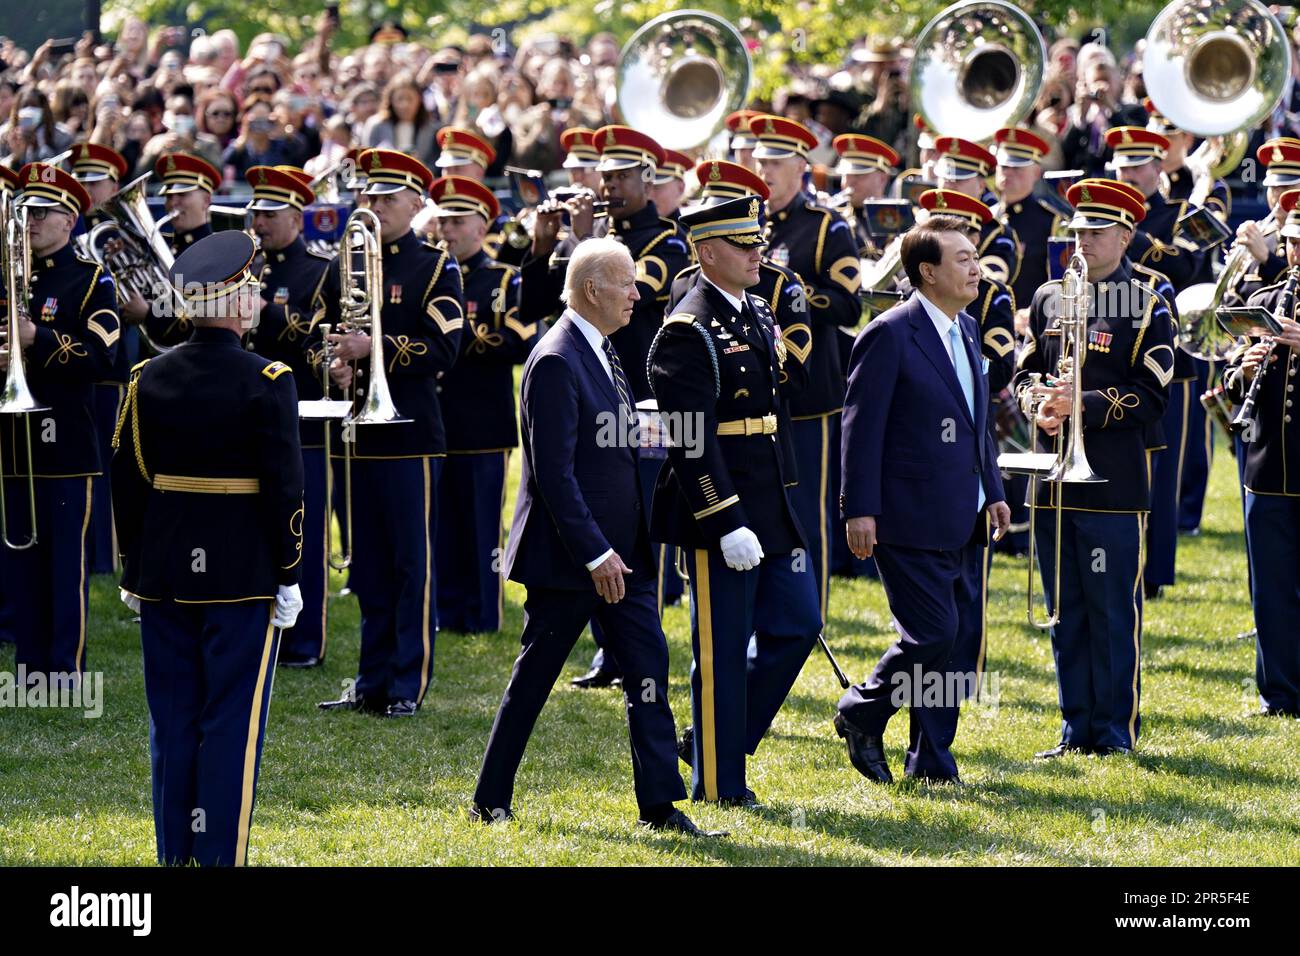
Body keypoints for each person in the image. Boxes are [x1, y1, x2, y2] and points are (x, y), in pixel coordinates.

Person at [471, 237, 710, 836]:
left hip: (623, 552)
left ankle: (660, 805)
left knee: (649, 667)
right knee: (536, 676)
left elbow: (613, 444)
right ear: (591, 290)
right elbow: (553, 474)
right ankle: (489, 798)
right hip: (573, 556)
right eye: (627, 284)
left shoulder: (602, 347)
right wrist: (595, 552)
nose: (638, 293)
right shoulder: (556, 358)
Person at [111, 229, 304, 866]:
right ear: (235, 301)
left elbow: (128, 481)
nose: (255, 300)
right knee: (229, 725)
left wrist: (133, 569)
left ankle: (176, 855)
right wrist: (291, 571)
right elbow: (284, 487)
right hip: (242, 573)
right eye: (249, 290)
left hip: (164, 573)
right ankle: (220, 855)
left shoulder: (147, 376)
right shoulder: (269, 378)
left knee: (173, 719)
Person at [649, 195, 821, 804]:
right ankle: (719, 783)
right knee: (720, 652)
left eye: (758, 243)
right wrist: (723, 518)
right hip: (718, 508)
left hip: (769, 501)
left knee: (800, 623)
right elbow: (689, 439)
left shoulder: (752, 309)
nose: (758, 254)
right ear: (707, 252)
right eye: (744, 246)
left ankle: (711, 741)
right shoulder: (687, 327)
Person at [833, 216, 1010, 784]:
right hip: (904, 515)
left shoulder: (966, 328)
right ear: (927, 272)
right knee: (932, 633)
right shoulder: (890, 332)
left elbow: (978, 424)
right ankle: (862, 711)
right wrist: (857, 509)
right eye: (962, 258)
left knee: (954, 644)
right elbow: (860, 429)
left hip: (963, 511)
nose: (975, 266)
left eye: (974, 256)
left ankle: (931, 762)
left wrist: (995, 492)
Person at [1012, 178, 1174, 758]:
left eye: (1097, 230)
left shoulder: (1150, 299)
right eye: (1078, 228)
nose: (1083, 239)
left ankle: (1114, 731)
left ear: (1126, 234)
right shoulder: (1050, 296)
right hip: (1055, 482)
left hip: (1112, 482)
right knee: (1064, 611)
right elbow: (1024, 372)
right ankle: (1073, 727)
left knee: (1111, 612)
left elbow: (1153, 396)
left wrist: (1080, 404)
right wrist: (1039, 404)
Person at [314, 148, 464, 718]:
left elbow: (445, 347)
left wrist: (372, 350)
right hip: (357, 432)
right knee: (368, 564)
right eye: (368, 196)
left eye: (385, 197)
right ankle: (370, 679)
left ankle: (408, 681)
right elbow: (319, 336)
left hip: (411, 435)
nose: (372, 205)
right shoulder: (339, 265)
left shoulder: (434, 266)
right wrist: (332, 361)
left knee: (409, 563)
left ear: (414, 203)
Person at [0, 162, 119, 677]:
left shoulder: (92, 282)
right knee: (19, 562)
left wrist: (38, 341)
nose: (30, 220)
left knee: (63, 563)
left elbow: (102, 356)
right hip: (13, 441)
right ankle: (29, 667)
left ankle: (65, 668)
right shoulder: (6, 275)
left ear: (69, 222)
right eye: (25, 210)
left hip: (66, 444)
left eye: (43, 212)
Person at [752, 112, 862, 624]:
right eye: (758, 160)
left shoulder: (825, 226)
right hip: (754, 387)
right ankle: (767, 601)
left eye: (775, 160)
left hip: (811, 389)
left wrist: (789, 290)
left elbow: (848, 305)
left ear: (802, 166)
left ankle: (809, 612)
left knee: (808, 508)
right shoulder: (746, 222)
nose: (764, 169)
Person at [430, 175, 540, 633]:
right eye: (443, 221)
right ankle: (446, 609)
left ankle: (483, 612)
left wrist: (454, 336)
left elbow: (518, 339)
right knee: (444, 522)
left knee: (480, 525)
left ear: (482, 226)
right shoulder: (432, 275)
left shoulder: (504, 278)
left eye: (458, 221)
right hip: (437, 418)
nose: (447, 230)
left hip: (483, 420)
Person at [243, 165, 332, 666]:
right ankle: (260, 629)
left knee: (302, 529)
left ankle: (304, 639)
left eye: (272, 212)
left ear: (297, 216)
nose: (261, 221)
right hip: (248, 416)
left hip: (301, 418)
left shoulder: (318, 270)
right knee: (254, 526)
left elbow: (319, 339)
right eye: (257, 211)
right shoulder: (246, 264)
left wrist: (268, 312)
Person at [1228, 187, 1300, 717]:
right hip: (1268, 465)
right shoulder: (1270, 300)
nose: (1294, 254)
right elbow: (1231, 378)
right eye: (1292, 243)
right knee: (1271, 589)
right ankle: (1278, 693)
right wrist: (1246, 369)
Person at [70, 143, 134, 577]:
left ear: (115, 185)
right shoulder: (69, 237)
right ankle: (94, 555)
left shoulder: (127, 235)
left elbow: (169, 300)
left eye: (98, 181)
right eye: (85, 181)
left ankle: (110, 557)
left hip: (123, 359)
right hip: (82, 362)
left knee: (117, 463)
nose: (91, 189)